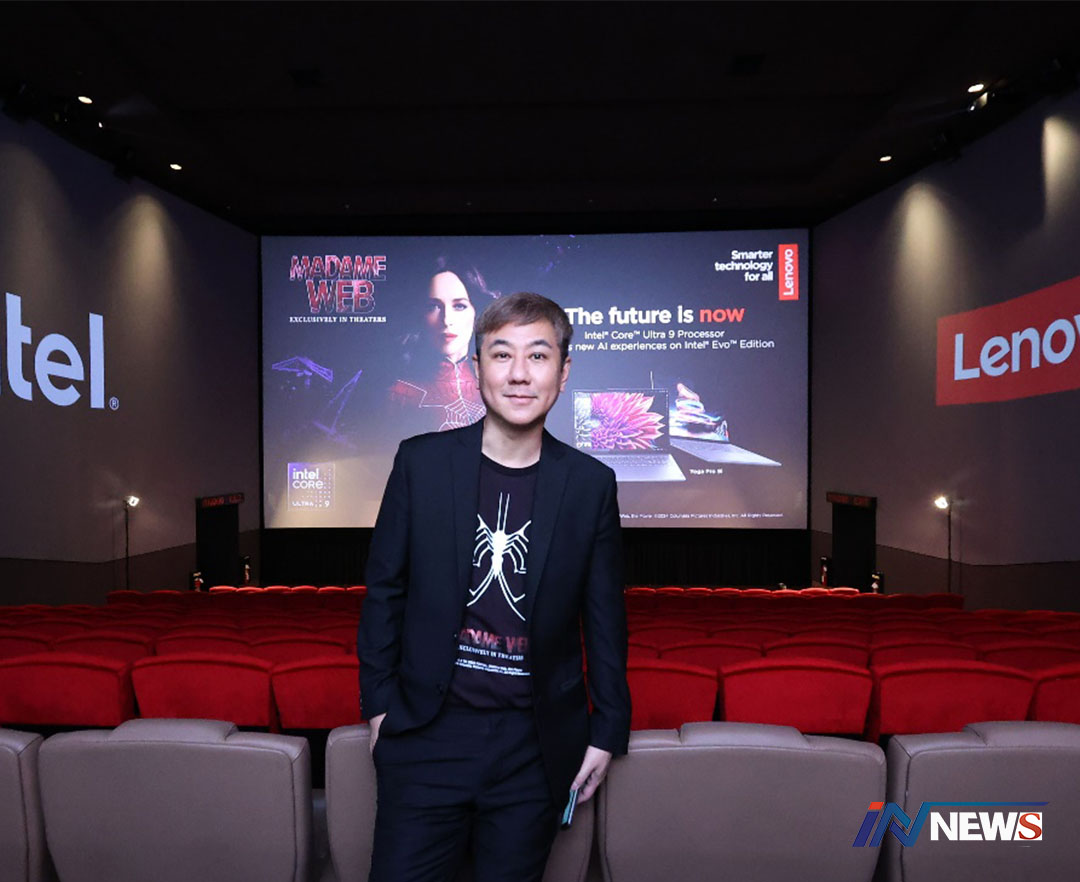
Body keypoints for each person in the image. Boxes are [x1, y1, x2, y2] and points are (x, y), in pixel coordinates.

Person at [358, 291, 631, 882]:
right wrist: (379, 710)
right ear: (477, 365)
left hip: (533, 749)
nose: (519, 374)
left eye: (538, 355)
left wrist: (608, 729)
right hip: (426, 738)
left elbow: (605, 619)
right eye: (502, 354)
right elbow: (384, 591)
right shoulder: (420, 464)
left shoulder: (591, 485)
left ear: (563, 371)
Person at [388, 257, 498, 432]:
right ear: (420, 315)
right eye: (434, 307)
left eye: (459, 306)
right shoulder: (400, 392)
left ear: (477, 313)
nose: (447, 320)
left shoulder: (502, 382)